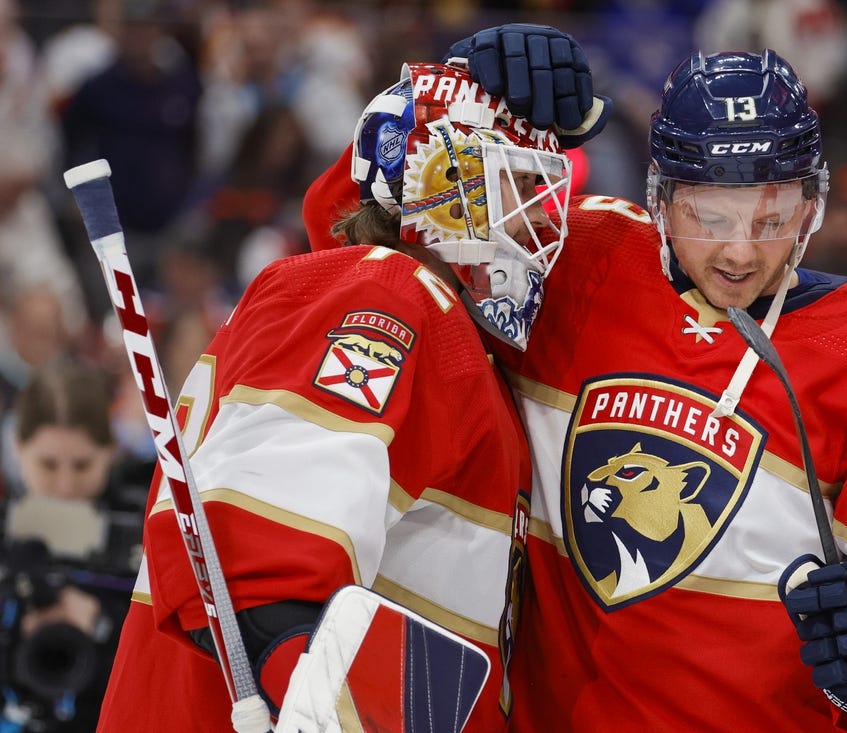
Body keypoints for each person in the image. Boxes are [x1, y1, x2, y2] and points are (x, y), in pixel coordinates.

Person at [304, 29, 847, 731]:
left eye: (772, 215)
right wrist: (444, 99)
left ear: (811, 205)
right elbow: (356, 250)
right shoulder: (576, 262)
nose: (739, 250)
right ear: (661, 198)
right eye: (709, 215)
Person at [94, 58, 579, 732]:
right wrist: (304, 676)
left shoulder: (403, 306)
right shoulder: (388, 295)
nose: (536, 219)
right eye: (515, 184)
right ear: (443, 181)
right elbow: (261, 550)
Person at [3, 359, 145, 732]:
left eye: (82, 465)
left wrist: (104, 623)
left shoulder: (148, 534)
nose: (65, 485)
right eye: (48, 464)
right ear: (18, 448)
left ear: (111, 450)